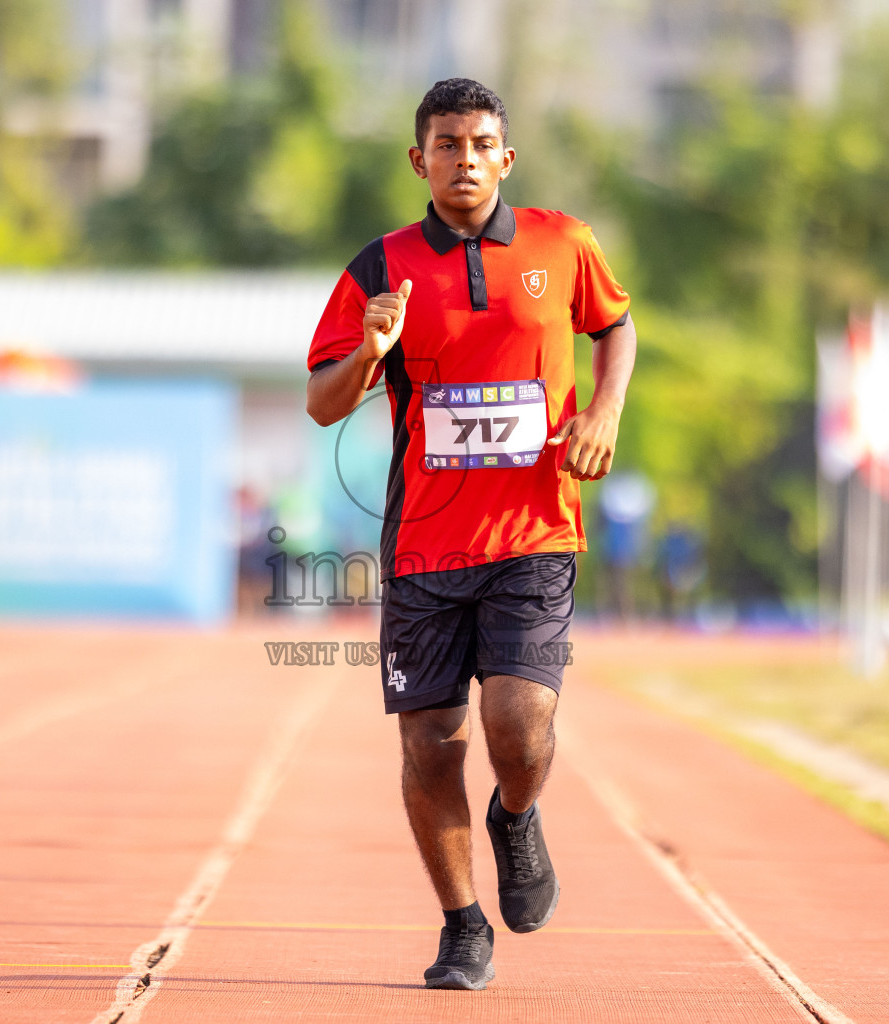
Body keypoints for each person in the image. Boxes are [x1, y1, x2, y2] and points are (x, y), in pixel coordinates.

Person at [304, 78, 636, 990]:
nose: (464, 158)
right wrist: (370, 354)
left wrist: (603, 412)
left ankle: (517, 818)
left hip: (535, 531)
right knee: (430, 743)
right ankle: (461, 926)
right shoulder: (380, 268)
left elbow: (617, 326)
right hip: (425, 548)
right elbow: (321, 403)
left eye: (481, 142)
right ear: (420, 160)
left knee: (518, 727)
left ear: (506, 157)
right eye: (446, 143)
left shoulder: (562, 243)